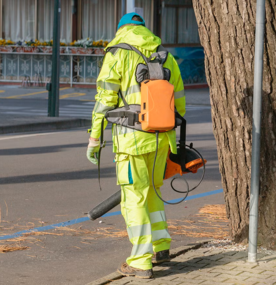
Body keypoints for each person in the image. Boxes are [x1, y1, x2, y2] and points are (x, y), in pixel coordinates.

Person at [86, 13, 186, 279]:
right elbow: (180, 103)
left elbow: (104, 99)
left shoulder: (117, 55)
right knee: (153, 191)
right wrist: (172, 138)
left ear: (121, 30)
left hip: (131, 141)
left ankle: (140, 261)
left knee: (134, 199)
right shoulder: (166, 56)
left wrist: (95, 138)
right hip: (161, 138)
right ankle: (161, 246)